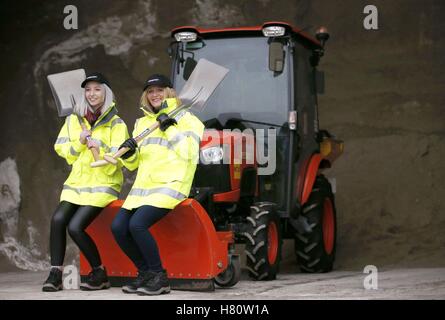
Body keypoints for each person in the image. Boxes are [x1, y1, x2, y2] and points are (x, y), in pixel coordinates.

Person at [111, 74, 204, 295]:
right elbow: (134, 165)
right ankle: (145, 273)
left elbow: (190, 154)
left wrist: (169, 127)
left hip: (172, 184)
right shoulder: (142, 123)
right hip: (144, 189)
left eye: (159, 90)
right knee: (118, 228)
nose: (155, 95)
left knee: (137, 225)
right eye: (150, 91)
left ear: (170, 92)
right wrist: (129, 154)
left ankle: (159, 277)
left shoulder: (189, 120)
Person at [43, 73, 131, 292]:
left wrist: (98, 149)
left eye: (97, 89)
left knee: (75, 226)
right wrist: (80, 142)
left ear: (106, 93)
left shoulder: (117, 123)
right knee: (58, 220)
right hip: (77, 183)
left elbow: (117, 162)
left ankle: (99, 272)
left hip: (104, 185)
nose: (92, 94)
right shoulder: (74, 120)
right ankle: (55, 273)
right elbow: (65, 151)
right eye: (88, 89)